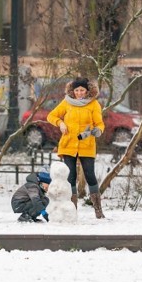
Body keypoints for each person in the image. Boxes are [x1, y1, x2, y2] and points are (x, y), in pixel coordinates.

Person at [46, 77, 106, 219]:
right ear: (73, 91)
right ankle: (73, 210)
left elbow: (100, 124)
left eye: (82, 90)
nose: (79, 93)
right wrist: (60, 123)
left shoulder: (94, 104)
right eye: (77, 90)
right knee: (70, 177)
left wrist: (98, 130)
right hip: (69, 145)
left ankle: (98, 209)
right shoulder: (66, 102)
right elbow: (51, 116)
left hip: (87, 144)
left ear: (87, 91)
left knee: (90, 175)